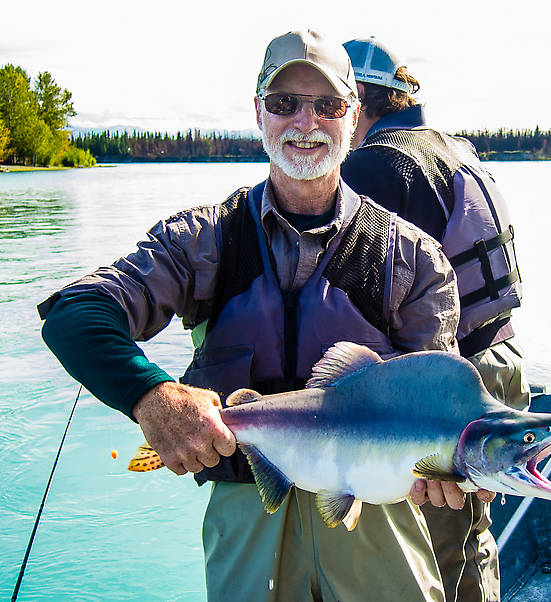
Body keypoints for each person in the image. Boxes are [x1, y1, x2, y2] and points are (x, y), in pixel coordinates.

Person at [39, 29, 474, 602]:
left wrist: (460, 470)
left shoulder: (414, 258)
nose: (306, 122)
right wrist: (152, 396)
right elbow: (74, 314)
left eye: (327, 105)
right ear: (259, 112)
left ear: (353, 114)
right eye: (285, 103)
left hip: (377, 522)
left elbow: (439, 400)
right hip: (245, 516)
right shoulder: (200, 239)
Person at [341, 37, 531, 602]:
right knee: (469, 537)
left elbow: (360, 289)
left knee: (436, 542)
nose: (327, 118)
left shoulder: (377, 165)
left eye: (334, 102)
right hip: (500, 360)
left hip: (452, 379)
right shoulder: (452, 148)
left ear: (359, 99)